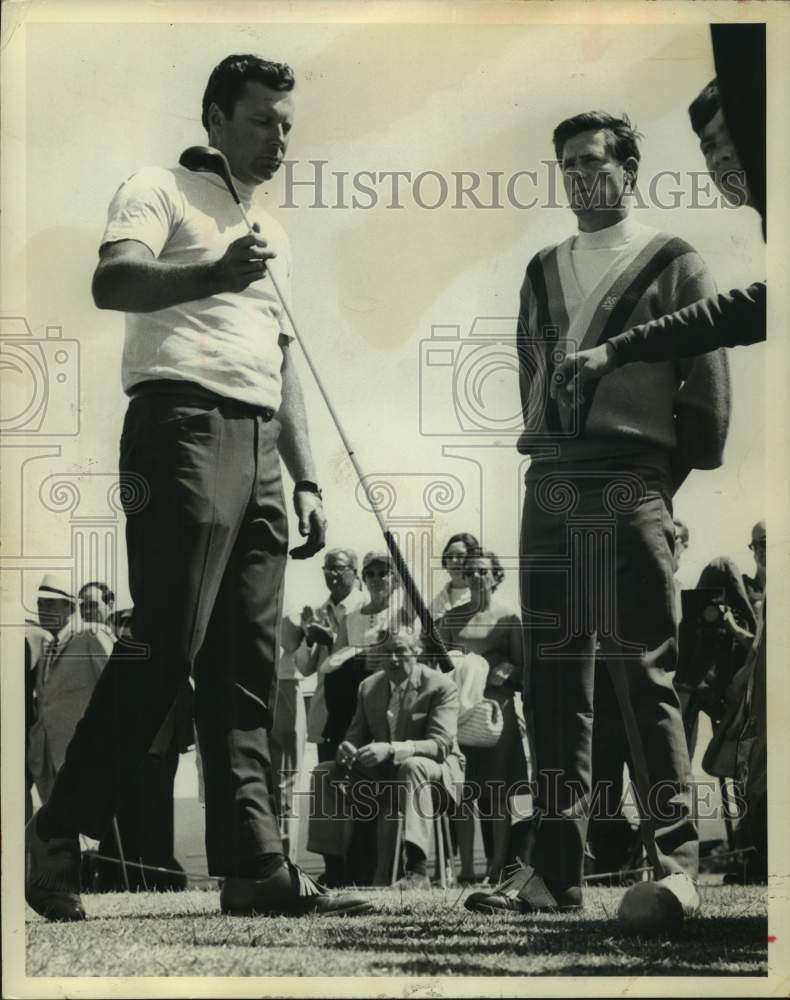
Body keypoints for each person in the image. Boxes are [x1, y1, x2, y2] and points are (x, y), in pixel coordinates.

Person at [25, 53, 371, 921]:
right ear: (215, 118)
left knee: (246, 663)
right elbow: (112, 280)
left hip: (260, 443)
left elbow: (281, 358)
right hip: (179, 423)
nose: (280, 139)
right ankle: (58, 831)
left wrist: (310, 477)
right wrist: (212, 274)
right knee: (168, 643)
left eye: (289, 125)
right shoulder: (158, 186)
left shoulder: (271, 227)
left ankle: (256, 866)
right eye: (263, 122)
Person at [466, 110, 730, 925]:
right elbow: (529, 382)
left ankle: (675, 862)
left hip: (632, 480)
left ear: (629, 167)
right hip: (550, 485)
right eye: (568, 163)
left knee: (643, 673)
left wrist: (655, 484)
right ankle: (553, 874)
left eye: (594, 160)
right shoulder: (543, 268)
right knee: (553, 683)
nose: (581, 175)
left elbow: (708, 399)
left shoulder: (675, 261)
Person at [552, 25, 766, 394]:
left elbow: (707, 374)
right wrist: (618, 350)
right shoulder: (543, 267)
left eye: (735, 136)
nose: (721, 157)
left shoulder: (675, 260)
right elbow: (738, 314)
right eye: (708, 146)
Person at [307, 630, 464, 889]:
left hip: (436, 778)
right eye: (385, 653)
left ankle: (417, 869)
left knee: (412, 766)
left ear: (417, 652)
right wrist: (346, 749)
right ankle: (334, 871)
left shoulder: (440, 686)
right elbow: (355, 735)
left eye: (400, 651)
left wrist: (391, 749)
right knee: (326, 772)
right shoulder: (369, 687)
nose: (392, 659)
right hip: (387, 778)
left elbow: (440, 745)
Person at [438, 549, 528, 884]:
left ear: (495, 576)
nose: (475, 577)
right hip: (460, 711)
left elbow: (524, 671)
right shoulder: (450, 618)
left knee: (499, 793)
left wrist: (508, 671)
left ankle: (496, 867)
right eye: (470, 572)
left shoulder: (509, 620)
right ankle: (466, 869)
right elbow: (440, 667)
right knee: (464, 792)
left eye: (482, 572)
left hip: (496, 714)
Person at [28, 575, 114, 805]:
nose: (42, 610)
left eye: (50, 603)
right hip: (50, 766)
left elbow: (116, 695)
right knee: (63, 838)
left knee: (96, 837)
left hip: (86, 763)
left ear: (70, 606)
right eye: (39, 604)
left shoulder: (91, 635)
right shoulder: (47, 648)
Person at [291, 548, 364, 763]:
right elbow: (304, 668)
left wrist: (333, 641)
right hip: (327, 715)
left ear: (355, 571)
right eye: (327, 569)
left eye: (339, 568)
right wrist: (309, 638)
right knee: (329, 782)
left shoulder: (366, 607)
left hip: (359, 712)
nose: (332, 574)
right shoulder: (319, 612)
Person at [430, 533, 480, 620]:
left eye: (460, 556)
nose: (453, 560)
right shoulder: (436, 603)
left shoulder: (482, 598)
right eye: (449, 556)